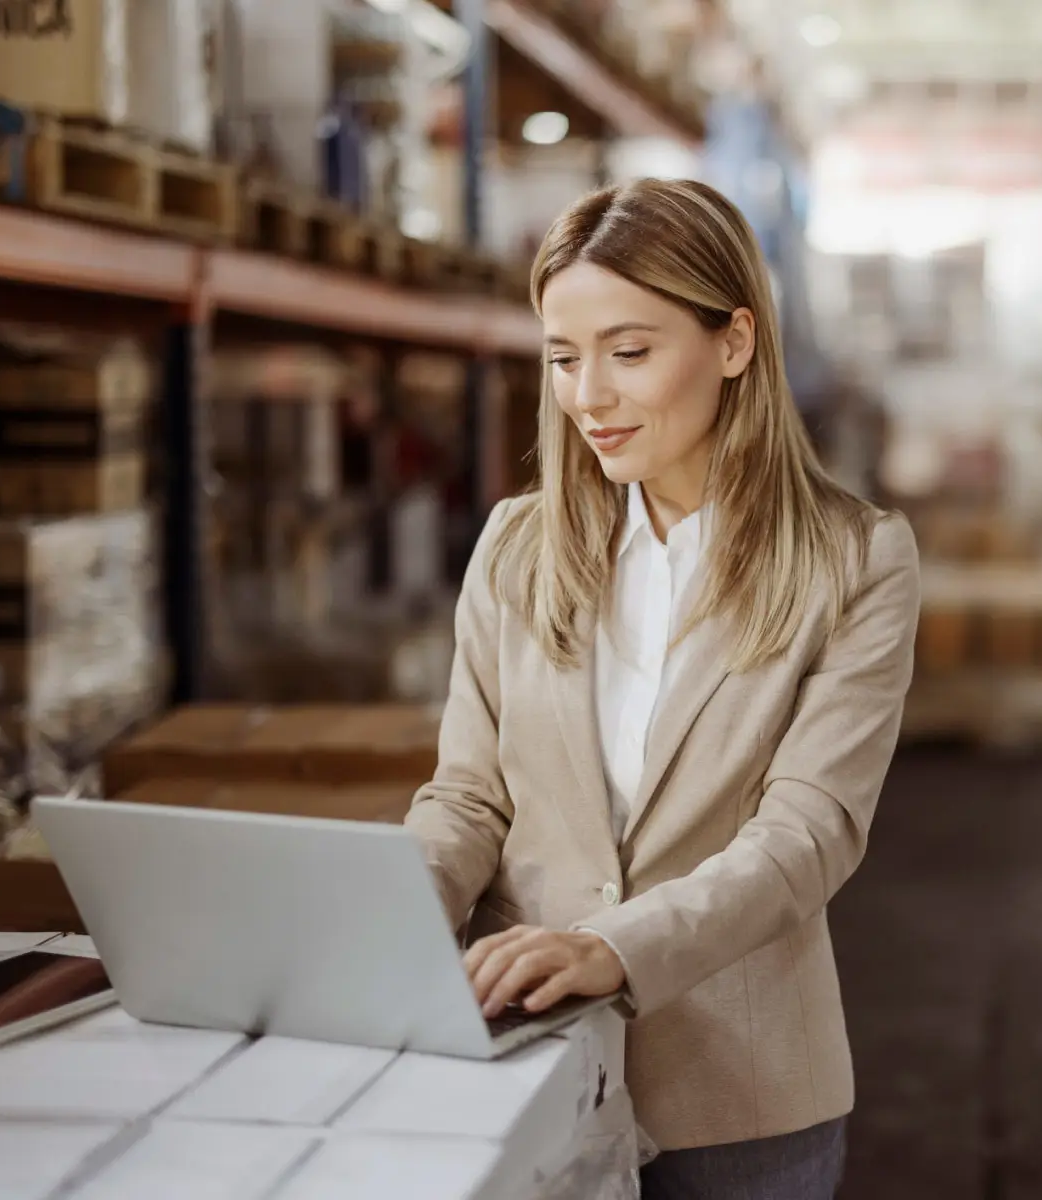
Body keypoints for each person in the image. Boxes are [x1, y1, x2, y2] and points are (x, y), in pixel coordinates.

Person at [405, 178, 920, 1199]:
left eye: (629, 353)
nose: (588, 395)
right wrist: (390, 915)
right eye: (563, 357)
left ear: (734, 343)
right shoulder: (519, 545)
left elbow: (806, 835)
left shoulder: (854, 560)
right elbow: (469, 796)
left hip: (741, 1095)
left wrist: (611, 946)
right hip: (524, 1065)